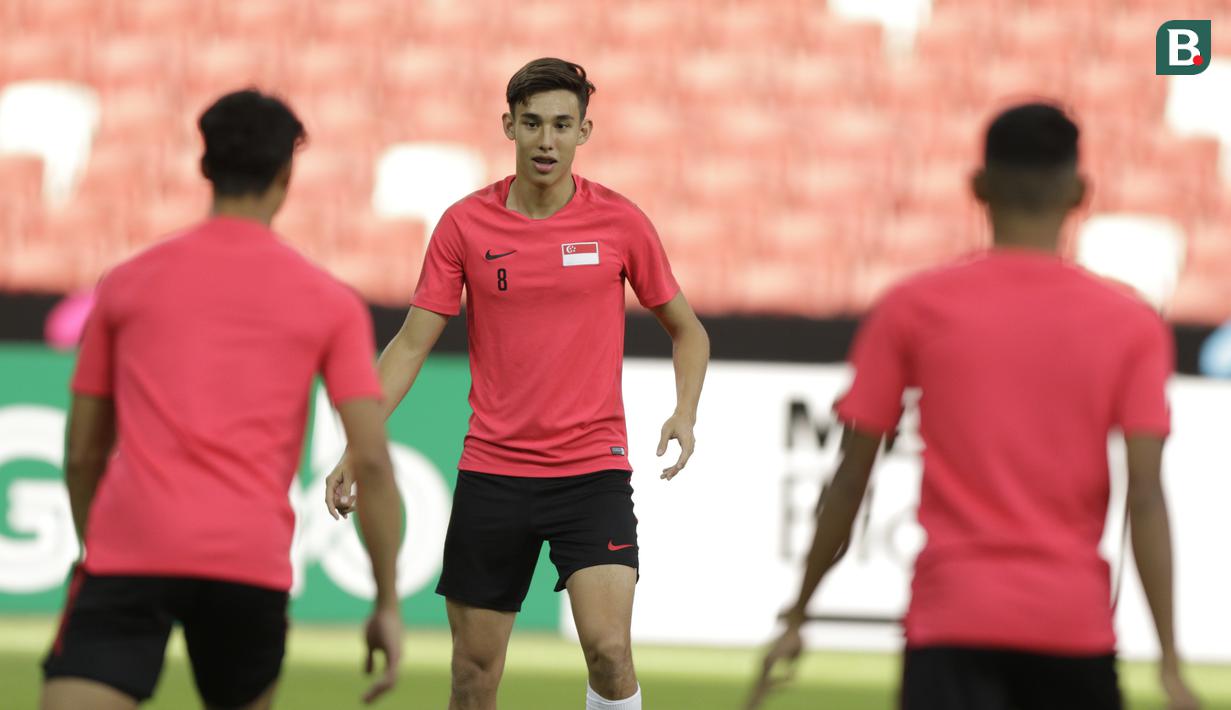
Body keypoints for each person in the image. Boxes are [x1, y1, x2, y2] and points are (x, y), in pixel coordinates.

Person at [748, 103, 1200, 710]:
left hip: (952, 621)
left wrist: (799, 611)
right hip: (1071, 627)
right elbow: (1144, 495)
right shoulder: (1132, 323)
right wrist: (1169, 661)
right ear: (1079, 192)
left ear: (978, 186)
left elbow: (852, 474)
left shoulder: (913, 307)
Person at [326, 57, 710, 710]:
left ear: (585, 131)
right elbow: (412, 342)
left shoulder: (619, 223)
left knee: (610, 654)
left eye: (562, 125)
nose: (546, 140)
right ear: (508, 125)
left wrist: (684, 410)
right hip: (493, 474)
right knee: (473, 676)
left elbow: (688, 330)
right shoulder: (463, 226)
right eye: (532, 123)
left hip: (591, 472)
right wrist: (354, 446)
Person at [42, 89, 404, 710]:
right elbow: (370, 462)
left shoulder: (126, 283)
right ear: (286, 175)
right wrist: (386, 602)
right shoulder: (329, 301)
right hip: (248, 563)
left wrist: (92, 548)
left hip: (132, 550)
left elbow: (82, 452)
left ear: (204, 167)